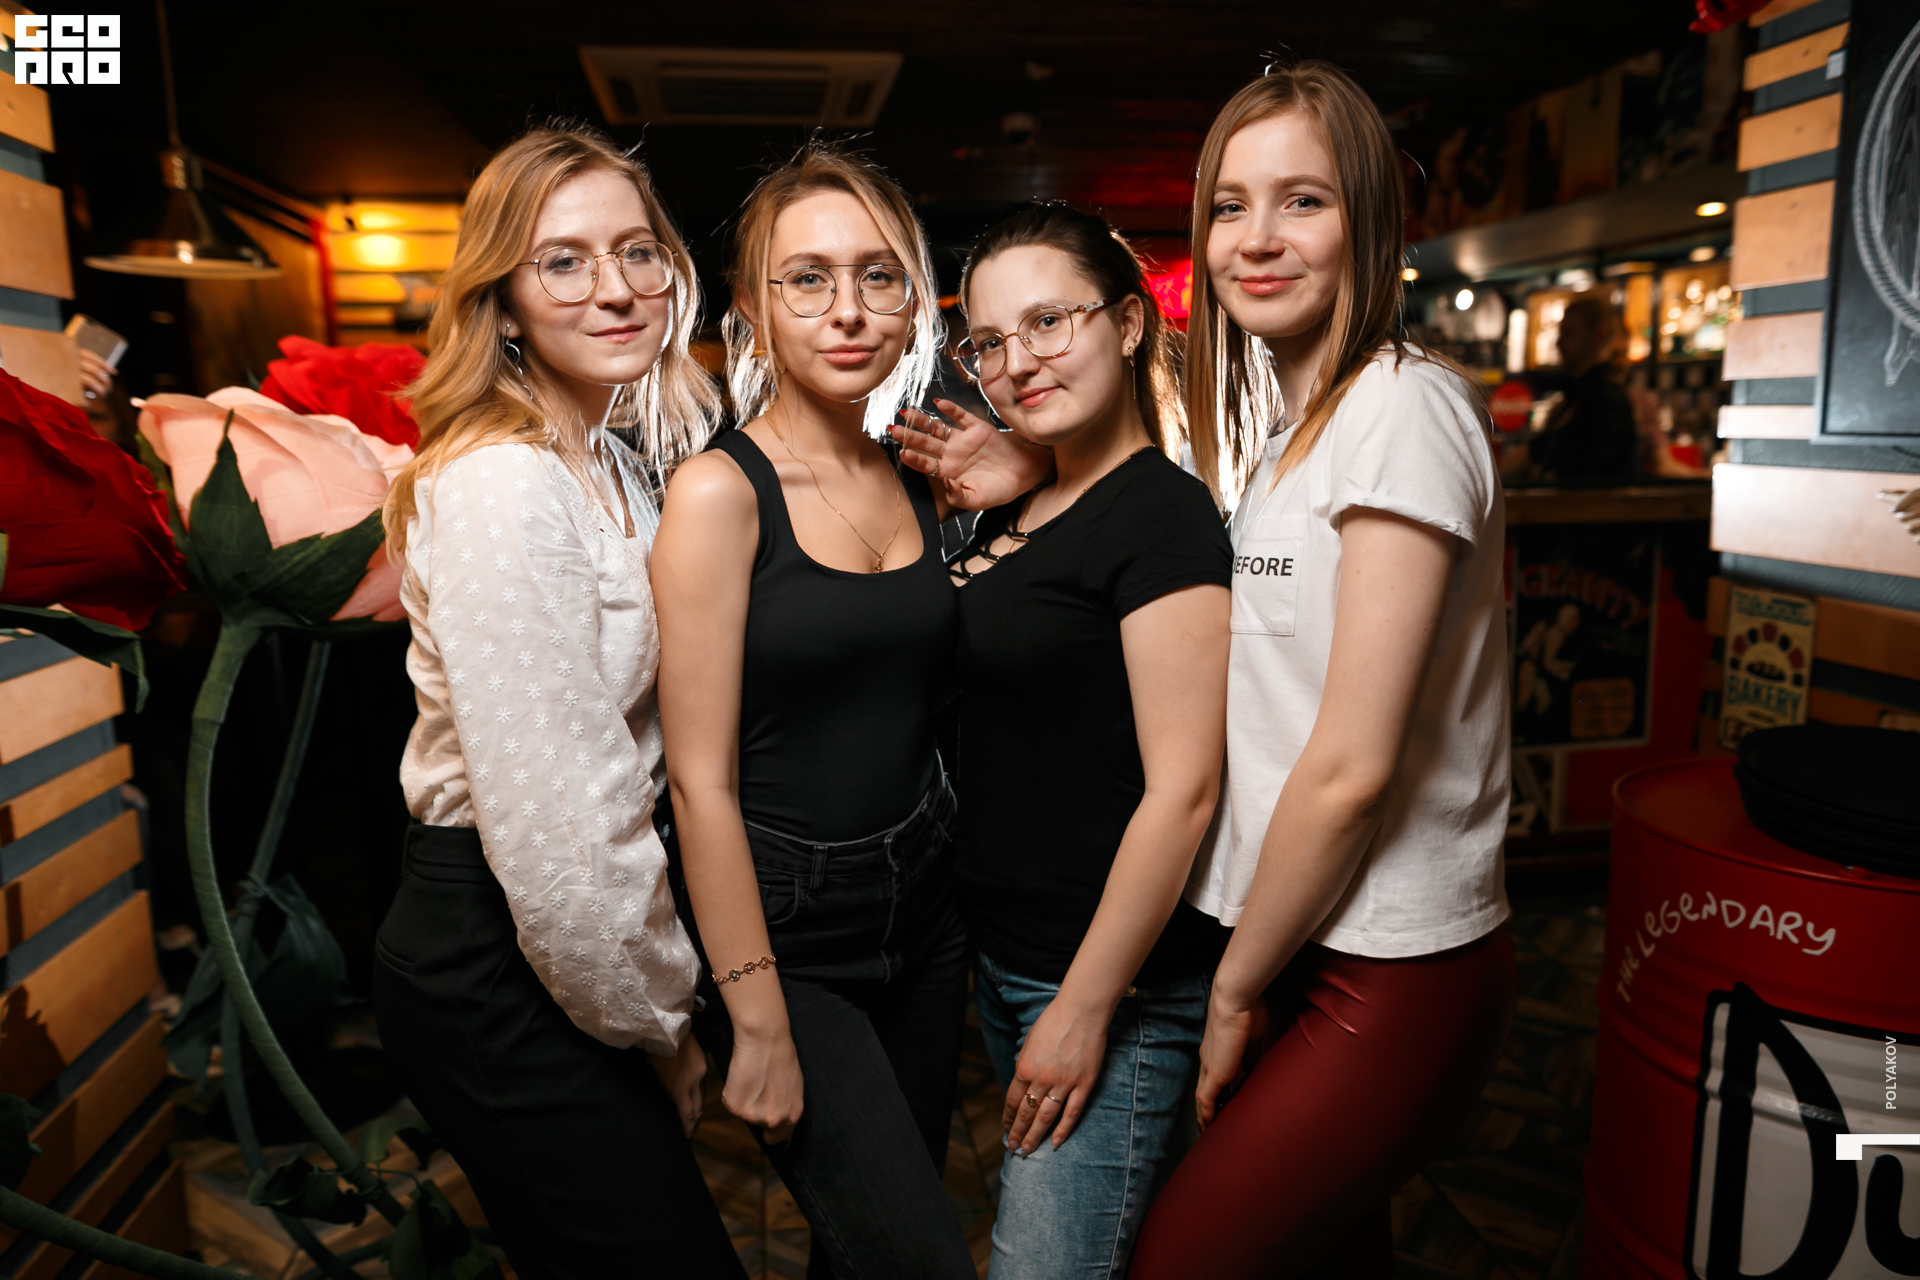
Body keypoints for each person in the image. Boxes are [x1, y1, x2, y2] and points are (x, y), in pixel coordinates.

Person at [1119, 63, 1518, 1279]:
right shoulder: (1302, 431)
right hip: (1298, 933)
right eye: (1229, 206)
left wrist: (1233, 988)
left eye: (1303, 200)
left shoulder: (1404, 407)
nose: (1257, 239)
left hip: (1391, 956)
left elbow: (1350, 767)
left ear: (1368, 222)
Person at [372, 124, 745, 1279]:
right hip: (501, 954)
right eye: (564, 262)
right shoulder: (502, 482)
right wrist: (658, 1021)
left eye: (637, 250)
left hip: (565, 945)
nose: (615, 288)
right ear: (504, 302)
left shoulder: (612, 458)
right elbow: (558, 824)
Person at [650, 141, 988, 1280]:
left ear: (914, 299)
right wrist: (753, 1015)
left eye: (877, 276)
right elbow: (697, 781)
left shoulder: (918, 470)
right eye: (808, 279)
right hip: (788, 931)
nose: (847, 310)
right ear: (752, 308)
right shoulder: (719, 493)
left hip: (927, 910)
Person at [938, 203, 1232, 1280]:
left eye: (1048, 322)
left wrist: (1085, 1005)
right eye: (989, 341)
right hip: (1011, 961)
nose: (1017, 362)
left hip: (1114, 989)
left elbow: (1185, 788)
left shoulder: (1161, 515)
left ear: (1128, 323)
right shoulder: (1028, 505)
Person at [1506, 293, 1639, 483]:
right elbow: (1537, 452)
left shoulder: (1606, 400)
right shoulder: (1575, 396)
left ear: (1599, 334)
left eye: (1568, 334)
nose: (1558, 343)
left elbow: (1593, 478)